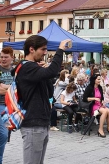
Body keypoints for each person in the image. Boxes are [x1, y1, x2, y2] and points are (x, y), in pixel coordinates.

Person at [17, 36, 71, 164]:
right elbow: (53, 72)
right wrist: (60, 50)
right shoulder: (26, 67)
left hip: (42, 122)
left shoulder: (34, 68)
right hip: (32, 123)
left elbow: (50, 91)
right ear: (31, 49)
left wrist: (44, 73)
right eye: (43, 49)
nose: (45, 52)